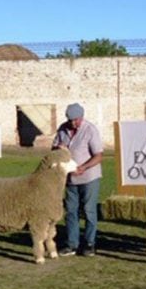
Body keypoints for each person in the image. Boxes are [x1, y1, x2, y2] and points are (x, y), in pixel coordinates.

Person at [52, 103, 103, 257]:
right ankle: (72, 244)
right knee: (71, 212)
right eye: (71, 120)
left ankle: (89, 244)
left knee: (89, 211)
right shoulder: (62, 129)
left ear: (81, 117)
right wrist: (58, 148)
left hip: (89, 177)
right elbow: (53, 149)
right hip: (69, 179)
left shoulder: (90, 130)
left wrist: (83, 167)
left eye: (76, 120)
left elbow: (98, 156)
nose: (73, 123)